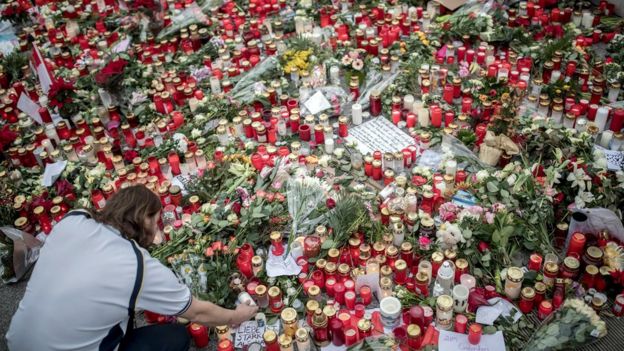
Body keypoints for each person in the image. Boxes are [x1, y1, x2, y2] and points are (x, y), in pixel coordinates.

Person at [7, 185, 258, 351]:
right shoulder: (137, 265)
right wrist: (237, 316)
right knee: (175, 338)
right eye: (157, 222)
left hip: (17, 340)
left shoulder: (73, 220)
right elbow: (198, 313)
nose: (158, 231)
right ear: (143, 218)